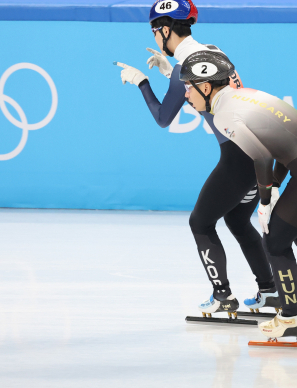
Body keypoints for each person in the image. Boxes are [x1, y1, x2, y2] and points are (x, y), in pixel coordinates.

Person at [115, 0, 281, 317]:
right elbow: (207, 97)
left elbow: (164, 117)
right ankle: (270, 291)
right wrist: (172, 74)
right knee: (235, 220)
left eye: (154, 31)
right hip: (256, 152)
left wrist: (142, 83)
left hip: (237, 157)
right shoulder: (214, 51)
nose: (153, 38)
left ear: (165, 30)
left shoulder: (185, 68)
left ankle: (223, 296)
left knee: (200, 223)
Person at [179, 50, 297, 339]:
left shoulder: (224, 114)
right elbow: (283, 142)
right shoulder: (249, 94)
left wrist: (265, 202)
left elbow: (261, 158)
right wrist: (273, 187)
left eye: (188, 86)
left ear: (205, 86)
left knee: (275, 241)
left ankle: (290, 318)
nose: (186, 95)